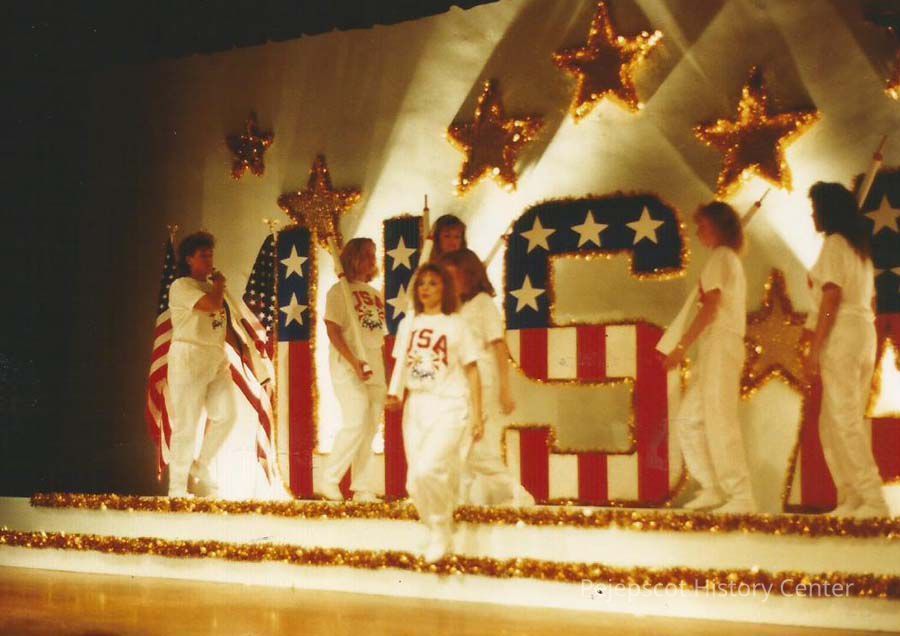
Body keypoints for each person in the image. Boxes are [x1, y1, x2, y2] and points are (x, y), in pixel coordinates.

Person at [803, 182, 889, 518]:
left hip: (843, 333)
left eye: (815, 208)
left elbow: (832, 297)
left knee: (843, 419)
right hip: (863, 332)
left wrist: (816, 347)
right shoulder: (859, 249)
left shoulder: (835, 244)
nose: (812, 215)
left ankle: (873, 499)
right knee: (832, 422)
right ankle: (851, 496)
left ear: (828, 211)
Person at [664, 202, 756, 514]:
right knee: (689, 421)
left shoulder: (721, 257)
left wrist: (681, 347)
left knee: (719, 419)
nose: (697, 232)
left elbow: (710, 308)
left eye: (702, 225)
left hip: (721, 343)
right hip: (714, 346)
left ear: (717, 226)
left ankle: (741, 494)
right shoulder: (725, 259)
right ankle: (712, 486)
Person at [387, 263, 482, 562]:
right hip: (417, 404)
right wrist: (395, 393)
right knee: (414, 481)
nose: (426, 288)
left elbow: (472, 370)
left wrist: (478, 414)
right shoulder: (408, 324)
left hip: (449, 403)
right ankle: (434, 529)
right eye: (422, 283)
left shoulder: (456, 325)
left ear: (445, 289)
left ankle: (440, 527)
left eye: (433, 283)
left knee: (429, 468)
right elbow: (400, 364)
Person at [440, 249, 534, 507]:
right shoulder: (455, 309)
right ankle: (462, 501)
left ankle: (517, 495)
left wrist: (505, 388)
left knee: (478, 447)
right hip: (460, 383)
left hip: (482, 381)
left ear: (468, 275)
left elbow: (498, 345)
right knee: (460, 446)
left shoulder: (483, 304)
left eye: (452, 277)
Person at [167, 231, 240, 498]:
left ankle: (201, 465)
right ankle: (176, 488)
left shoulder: (212, 289)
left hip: (215, 355)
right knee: (187, 423)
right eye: (203, 256)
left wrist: (242, 352)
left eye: (211, 255)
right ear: (189, 259)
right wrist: (219, 285)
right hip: (189, 355)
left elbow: (220, 324)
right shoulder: (182, 286)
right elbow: (210, 306)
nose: (209, 260)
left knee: (227, 414)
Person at [318, 238, 387, 502]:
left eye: (373, 254)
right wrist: (353, 361)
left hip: (374, 364)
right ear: (353, 258)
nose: (372, 260)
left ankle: (362, 487)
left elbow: (378, 336)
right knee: (356, 419)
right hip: (348, 364)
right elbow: (333, 331)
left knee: (369, 427)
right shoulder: (339, 291)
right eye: (366, 254)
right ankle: (329, 478)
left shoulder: (376, 295)